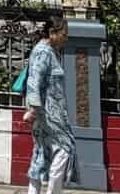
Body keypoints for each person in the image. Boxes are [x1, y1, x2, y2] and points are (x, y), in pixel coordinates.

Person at [21, 14, 75, 194]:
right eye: (64, 34)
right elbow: (34, 82)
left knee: (41, 154)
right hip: (48, 114)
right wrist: (35, 110)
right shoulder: (44, 52)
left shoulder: (48, 51)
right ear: (53, 33)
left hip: (46, 113)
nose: (66, 39)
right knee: (65, 148)